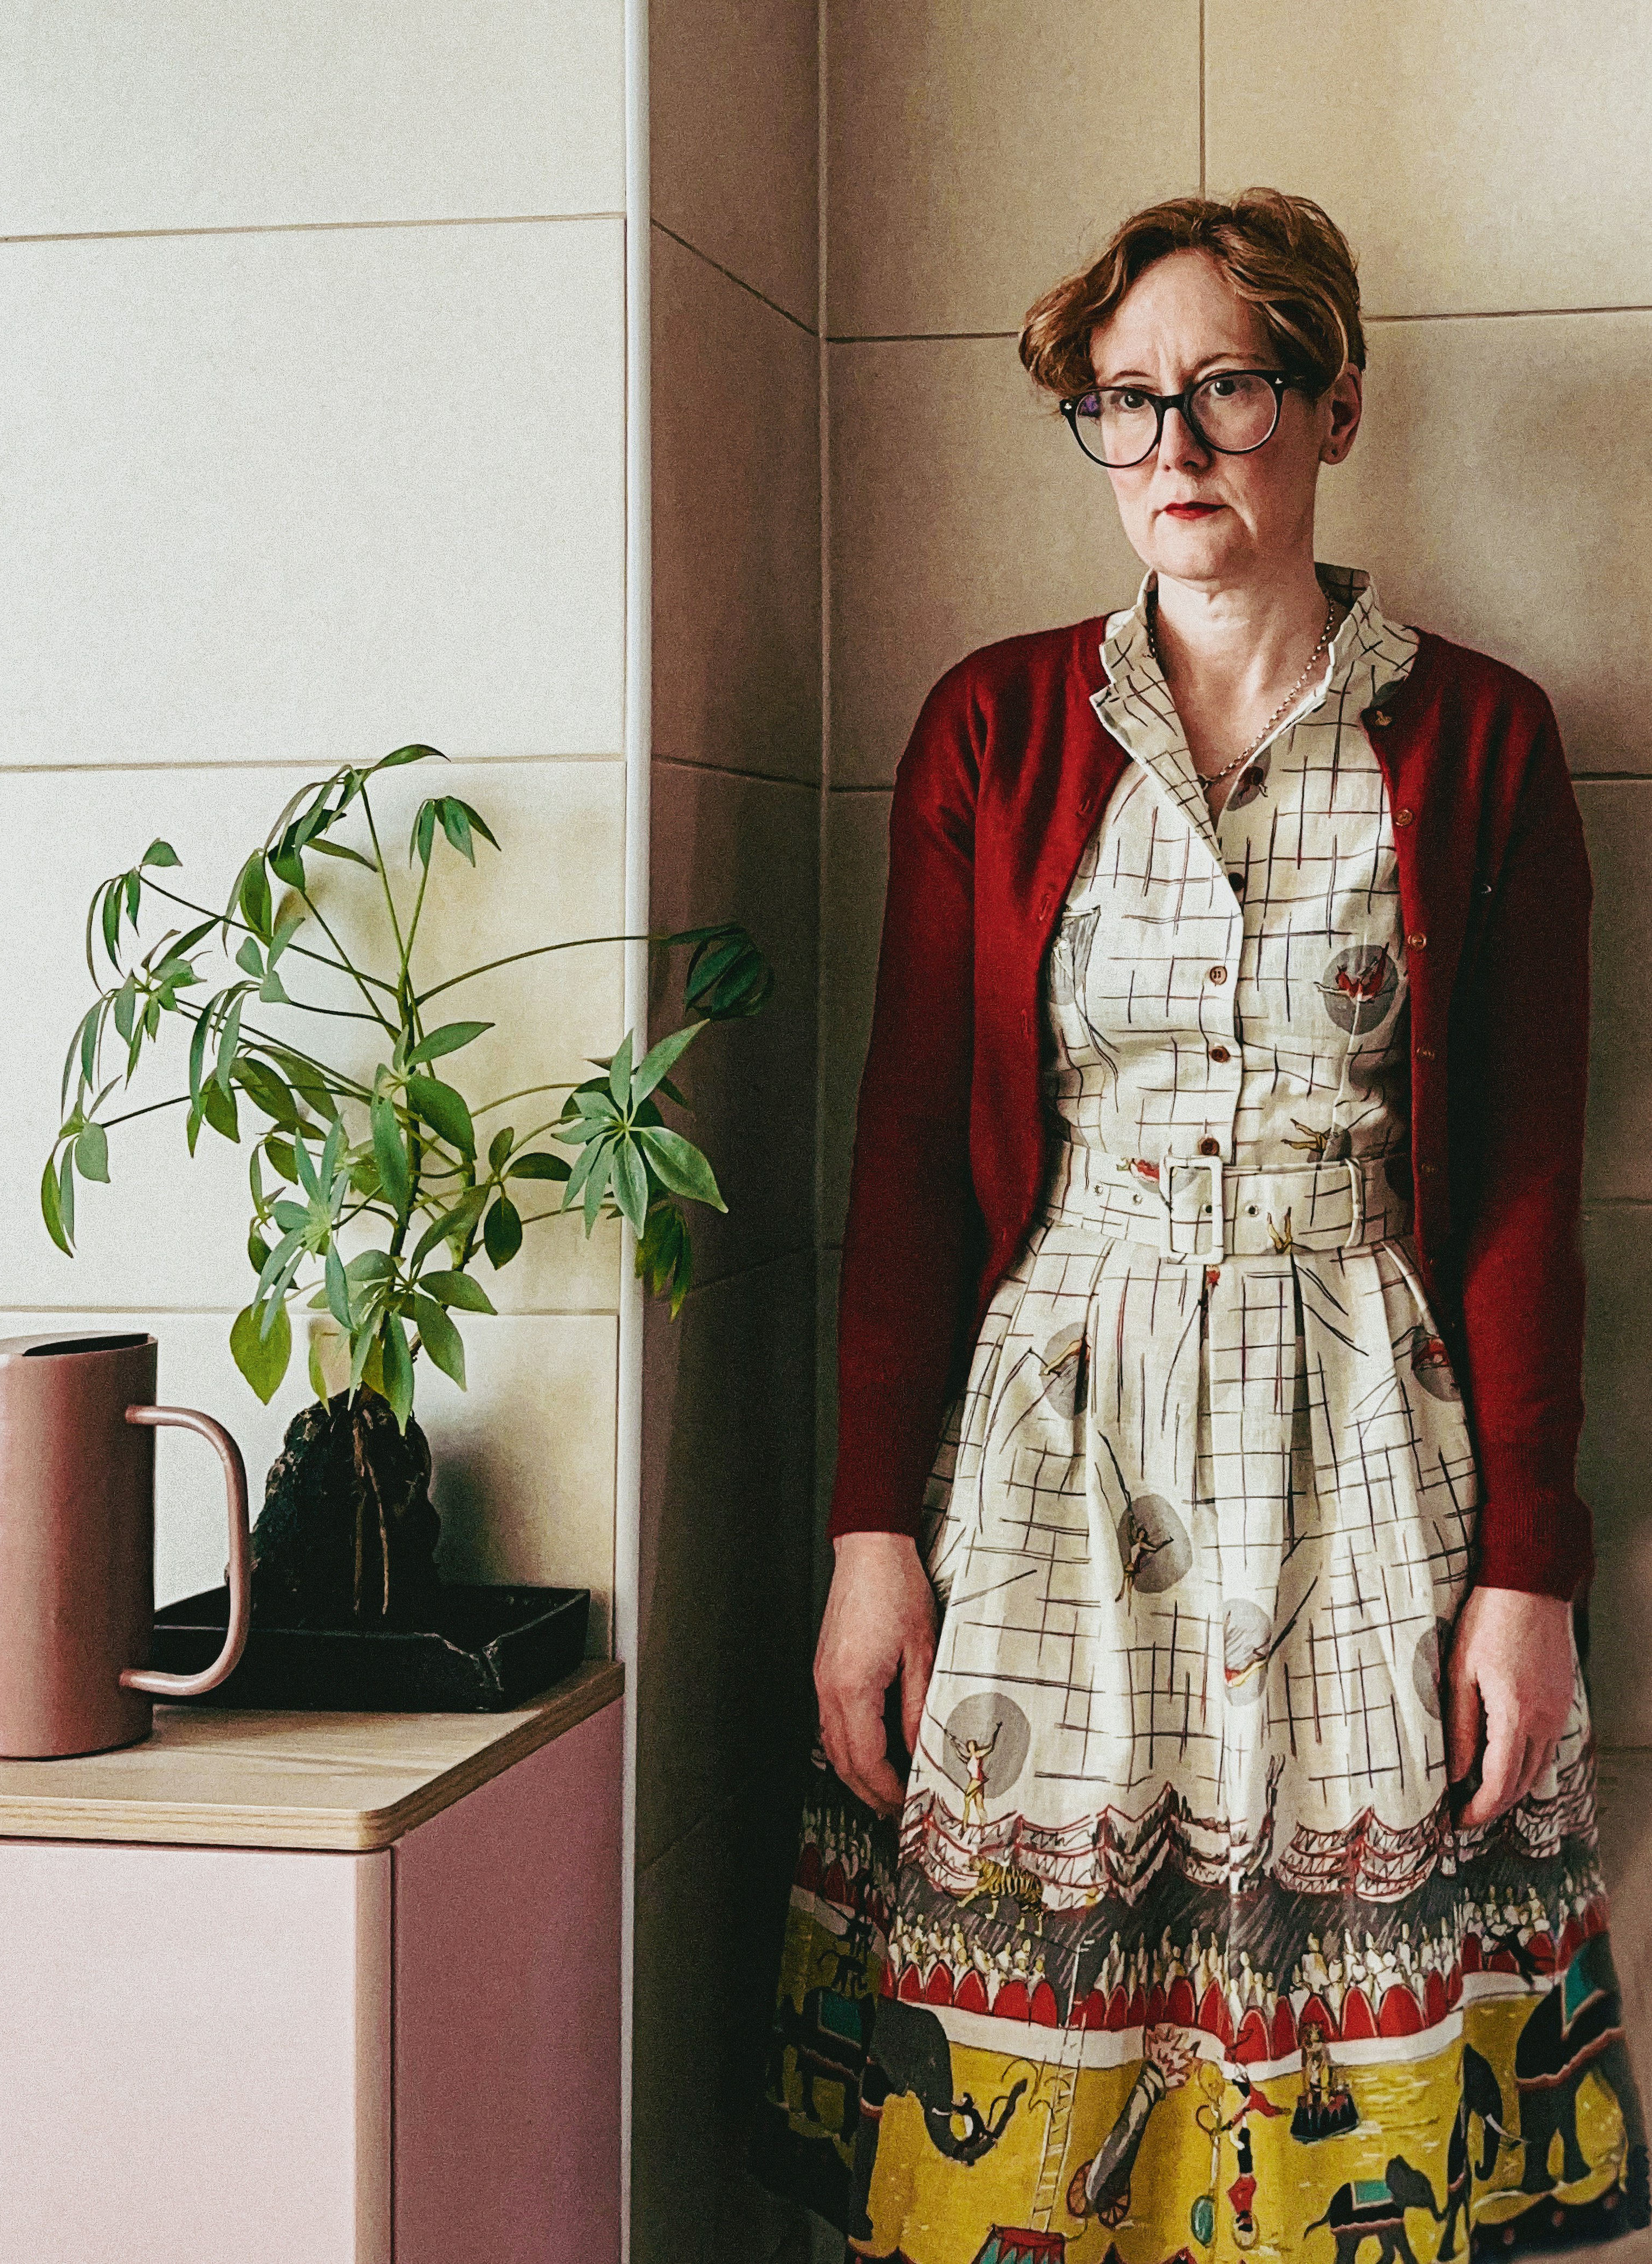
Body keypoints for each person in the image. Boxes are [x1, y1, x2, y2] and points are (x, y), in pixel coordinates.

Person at [752, 189, 1648, 2259]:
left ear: (1333, 404)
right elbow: (905, 1153)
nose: (1171, 445)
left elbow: (1520, 1181)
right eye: (1125, 400)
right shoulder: (993, 728)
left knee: (1327, 2043)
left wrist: (1533, 1571)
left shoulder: (1484, 735)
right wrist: (869, 1533)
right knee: (1045, 2084)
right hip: (1059, 1436)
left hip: (1362, 1440)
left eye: (1225, 390)